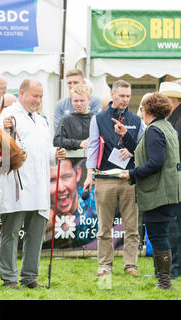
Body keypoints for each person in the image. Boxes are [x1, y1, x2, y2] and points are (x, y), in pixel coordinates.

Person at [0, 79, 66, 289]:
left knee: (36, 234)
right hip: (16, 185)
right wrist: (4, 130)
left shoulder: (41, 120)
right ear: (22, 94)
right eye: (35, 96)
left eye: (41, 97)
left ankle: (30, 276)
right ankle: (9, 278)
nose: (38, 100)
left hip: (39, 185)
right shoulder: (7, 115)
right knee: (11, 232)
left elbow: (44, 151)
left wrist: (55, 153)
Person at [114, 93, 180, 290]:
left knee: (158, 235)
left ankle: (165, 282)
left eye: (142, 109)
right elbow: (144, 153)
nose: (140, 112)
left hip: (158, 193)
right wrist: (126, 136)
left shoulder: (154, 130)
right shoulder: (165, 127)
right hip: (169, 192)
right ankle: (163, 278)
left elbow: (156, 162)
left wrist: (131, 173)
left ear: (148, 110)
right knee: (161, 234)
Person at [83, 80, 145, 277]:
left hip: (129, 179)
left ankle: (130, 266)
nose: (125, 100)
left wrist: (133, 153)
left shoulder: (137, 120)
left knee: (131, 227)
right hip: (105, 178)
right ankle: (105, 265)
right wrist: (89, 174)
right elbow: (92, 146)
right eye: (121, 96)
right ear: (112, 95)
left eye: (128, 96)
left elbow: (144, 148)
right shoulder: (98, 118)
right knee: (104, 227)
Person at [45, 159, 97, 249]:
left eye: (66, 177)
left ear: (78, 173)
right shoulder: (41, 207)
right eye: (52, 180)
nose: (61, 188)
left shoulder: (95, 203)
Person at [159, 81, 181, 280]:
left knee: (174, 226)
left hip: (177, 181)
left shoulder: (176, 121)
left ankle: (174, 268)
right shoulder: (173, 119)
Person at [53, 84, 93, 150]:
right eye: (76, 101)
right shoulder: (66, 119)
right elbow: (57, 141)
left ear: (89, 100)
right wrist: (79, 143)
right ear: (71, 101)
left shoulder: (95, 119)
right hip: (72, 159)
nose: (79, 104)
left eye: (82, 100)